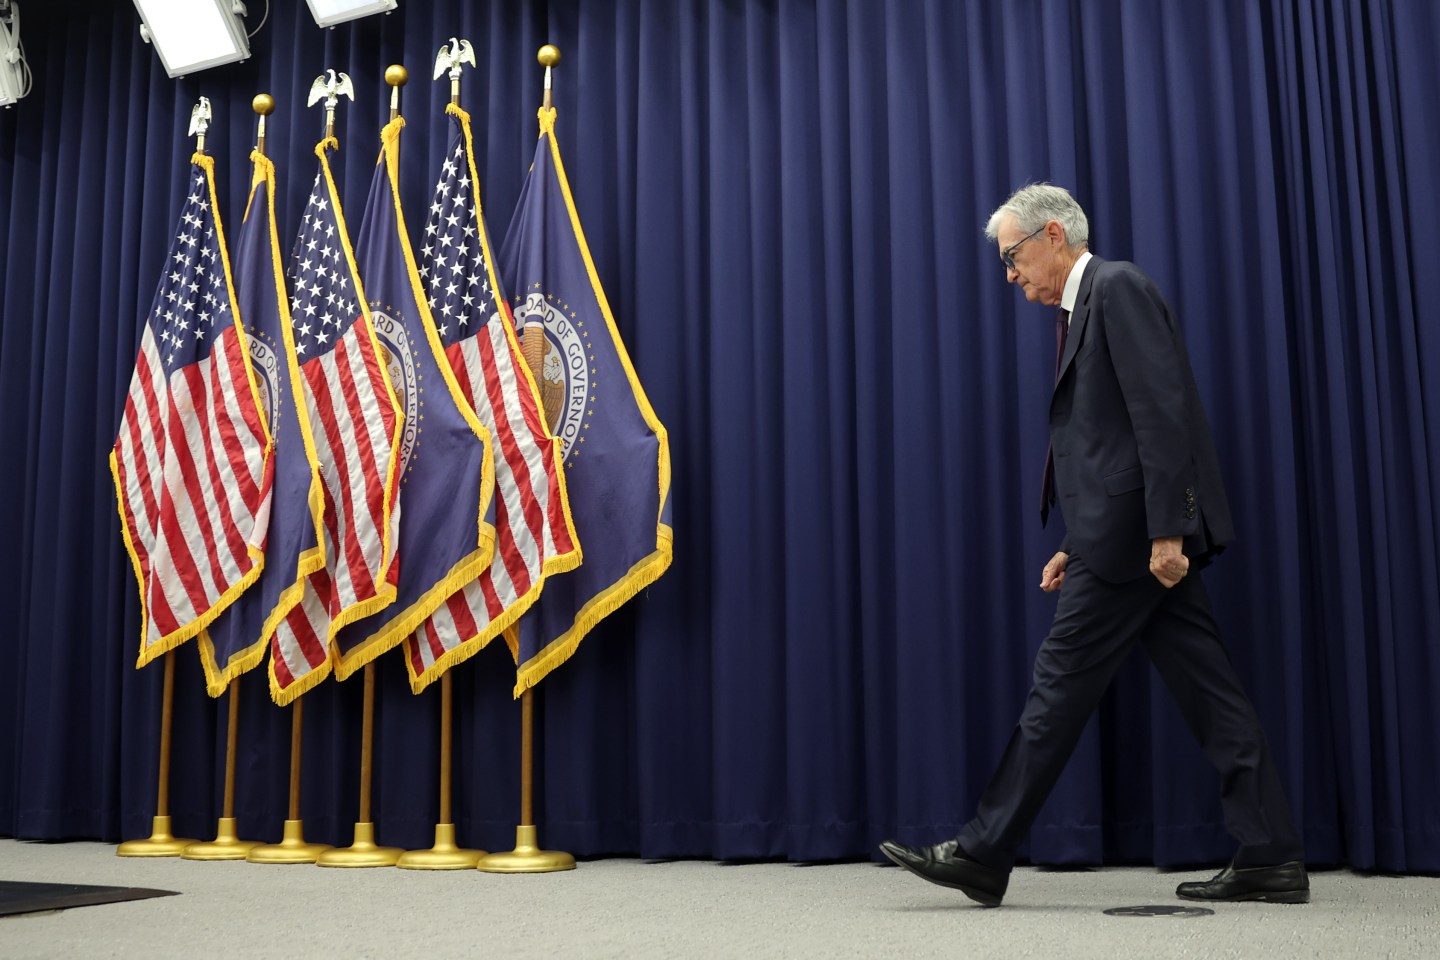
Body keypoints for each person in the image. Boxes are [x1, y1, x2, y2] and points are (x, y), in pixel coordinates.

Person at [879, 184, 1307, 907]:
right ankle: (1271, 853)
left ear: (1053, 236)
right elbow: (1112, 449)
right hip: (1121, 541)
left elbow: (1160, 414)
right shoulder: (1089, 303)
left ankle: (984, 851)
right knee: (1211, 693)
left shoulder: (1117, 287)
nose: (1010, 274)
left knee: (1057, 689)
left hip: (1141, 544)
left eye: (1013, 257)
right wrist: (1079, 544)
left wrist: (1169, 530)